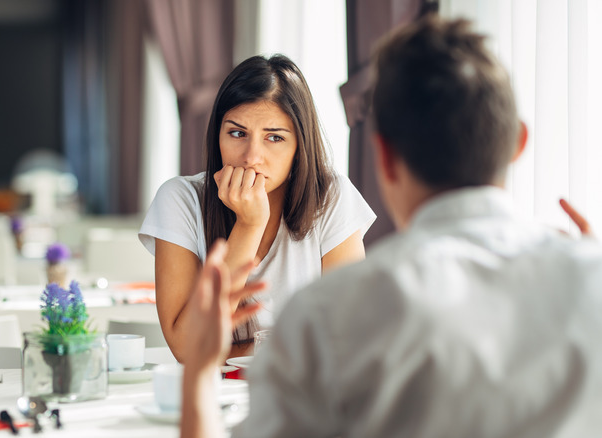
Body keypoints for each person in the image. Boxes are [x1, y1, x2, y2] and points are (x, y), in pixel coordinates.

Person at [181, 16, 602, 438]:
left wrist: (200, 373)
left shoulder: (326, 315)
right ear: (518, 143)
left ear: (383, 156)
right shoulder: (591, 281)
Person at [139, 55, 376, 362]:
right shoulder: (180, 199)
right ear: (217, 137)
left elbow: (346, 339)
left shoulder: (331, 198)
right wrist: (249, 226)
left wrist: (238, 350)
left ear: (299, 147)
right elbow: (187, 347)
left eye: (274, 138)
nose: (252, 157)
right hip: (211, 396)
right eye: (237, 133)